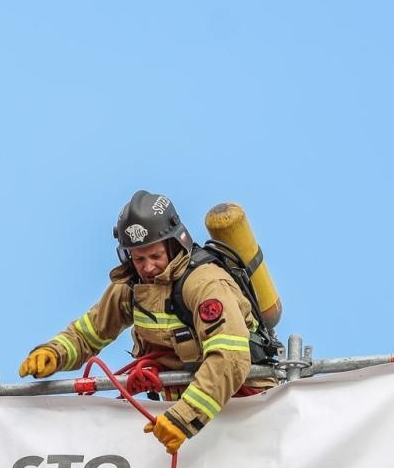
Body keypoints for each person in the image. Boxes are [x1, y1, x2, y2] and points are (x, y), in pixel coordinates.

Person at [18, 190, 272, 453]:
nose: (148, 267)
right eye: (139, 258)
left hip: (241, 411)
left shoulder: (205, 283)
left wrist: (184, 417)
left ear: (174, 245)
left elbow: (229, 359)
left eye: (155, 256)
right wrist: (54, 352)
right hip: (184, 418)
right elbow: (88, 334)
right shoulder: (132, 287)